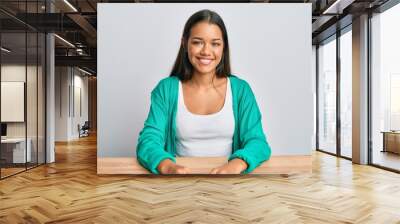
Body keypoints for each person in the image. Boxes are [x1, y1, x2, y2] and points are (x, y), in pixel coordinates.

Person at [136, 9, 271, 174]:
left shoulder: (241, 90)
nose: (206, 51)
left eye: (215, 43)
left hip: (229, 184)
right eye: (198, 42)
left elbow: (258, 142)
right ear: (184, 43)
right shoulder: (166, 89)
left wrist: (236, 165)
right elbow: (149, 140)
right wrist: (167, 166)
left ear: (223, 48)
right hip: (179, 184)